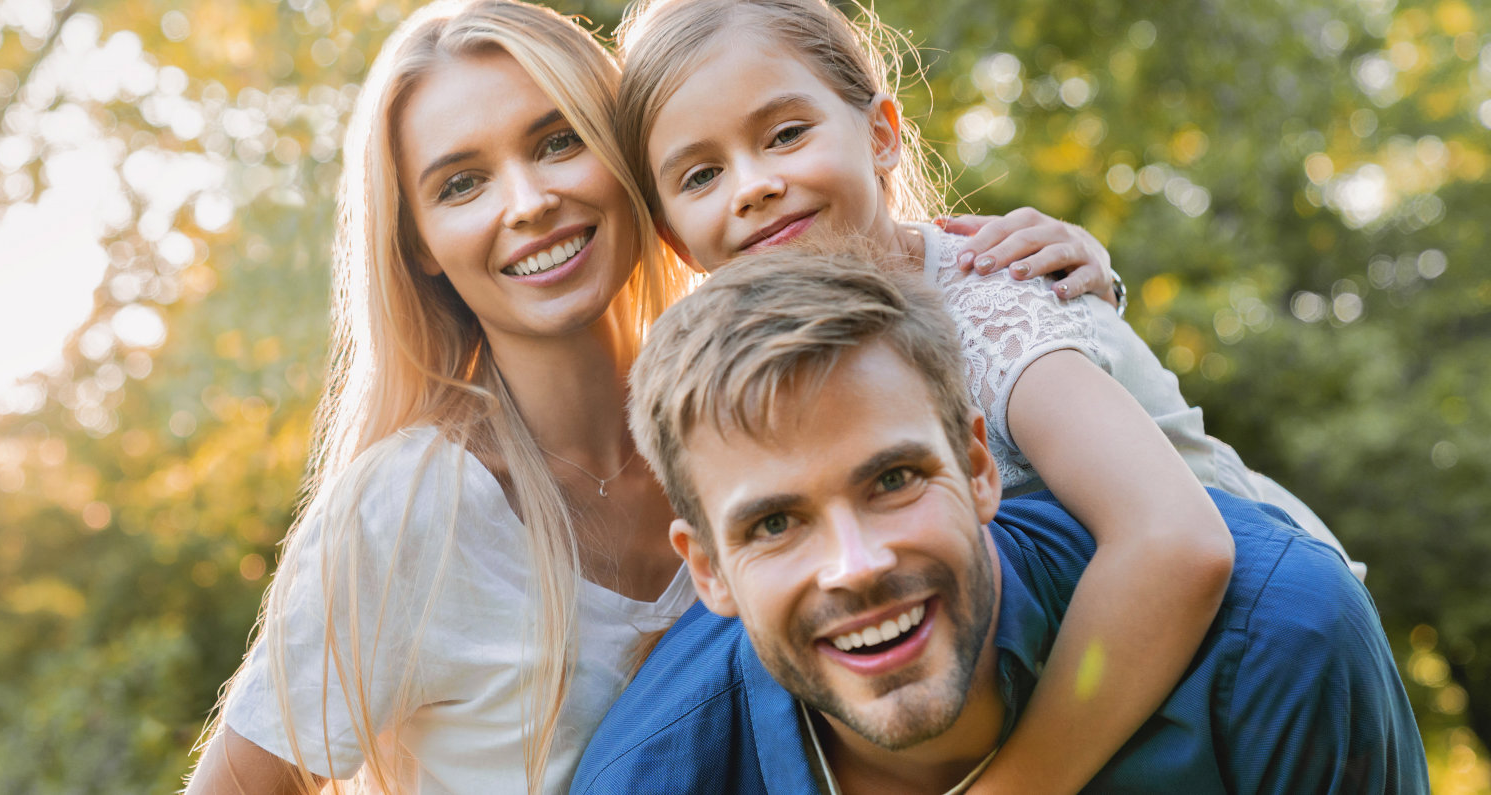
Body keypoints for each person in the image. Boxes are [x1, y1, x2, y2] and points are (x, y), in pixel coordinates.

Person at [184, 0, 1192, 791]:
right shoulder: (409, 513)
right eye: (461, 183)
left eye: (557, 141)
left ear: (635, 170)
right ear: (419, 247)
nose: (529, 202)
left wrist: (1058, 288)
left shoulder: (753, 405)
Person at [575, 248, 1425, 793]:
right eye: (773, 525)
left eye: (894, 480)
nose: (857, 563)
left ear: (980, 467)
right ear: (708, 569)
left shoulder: (1281, 645)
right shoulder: (650, 774)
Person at [613, 0, 1359, 579]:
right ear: (674, 237)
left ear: (880, 136)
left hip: (1272, 619)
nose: (753, 186)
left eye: (785, 135)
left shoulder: (992, 303)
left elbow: (1178, 541)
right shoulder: (748, 371)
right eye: (702, 175)